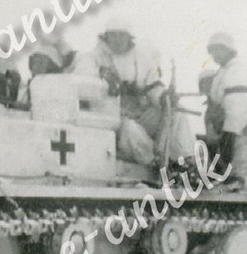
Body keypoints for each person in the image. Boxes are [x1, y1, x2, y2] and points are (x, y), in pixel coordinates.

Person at [72, 19, 193, 165]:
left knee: (176, 112)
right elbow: (81, 74)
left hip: (141, 112)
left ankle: (185, 161)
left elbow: (153, 87)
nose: (117, 40)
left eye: (121, 35)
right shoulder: (93, 57)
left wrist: (163, 97)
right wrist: (101, 74)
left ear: (129, 37)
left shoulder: (142, 58)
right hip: (114, 116)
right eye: (113, 35)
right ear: (106, 37)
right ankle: (155, 163)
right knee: (130, 129)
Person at [206, 32, 247, 192]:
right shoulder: (225, 70)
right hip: (232, 128)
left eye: (218, 50)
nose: (215, 55)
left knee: (243, 177)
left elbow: (238, 104)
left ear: (228, 50)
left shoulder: (237, 70)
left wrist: (229, 133)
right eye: (212, 51)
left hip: (241, 131)